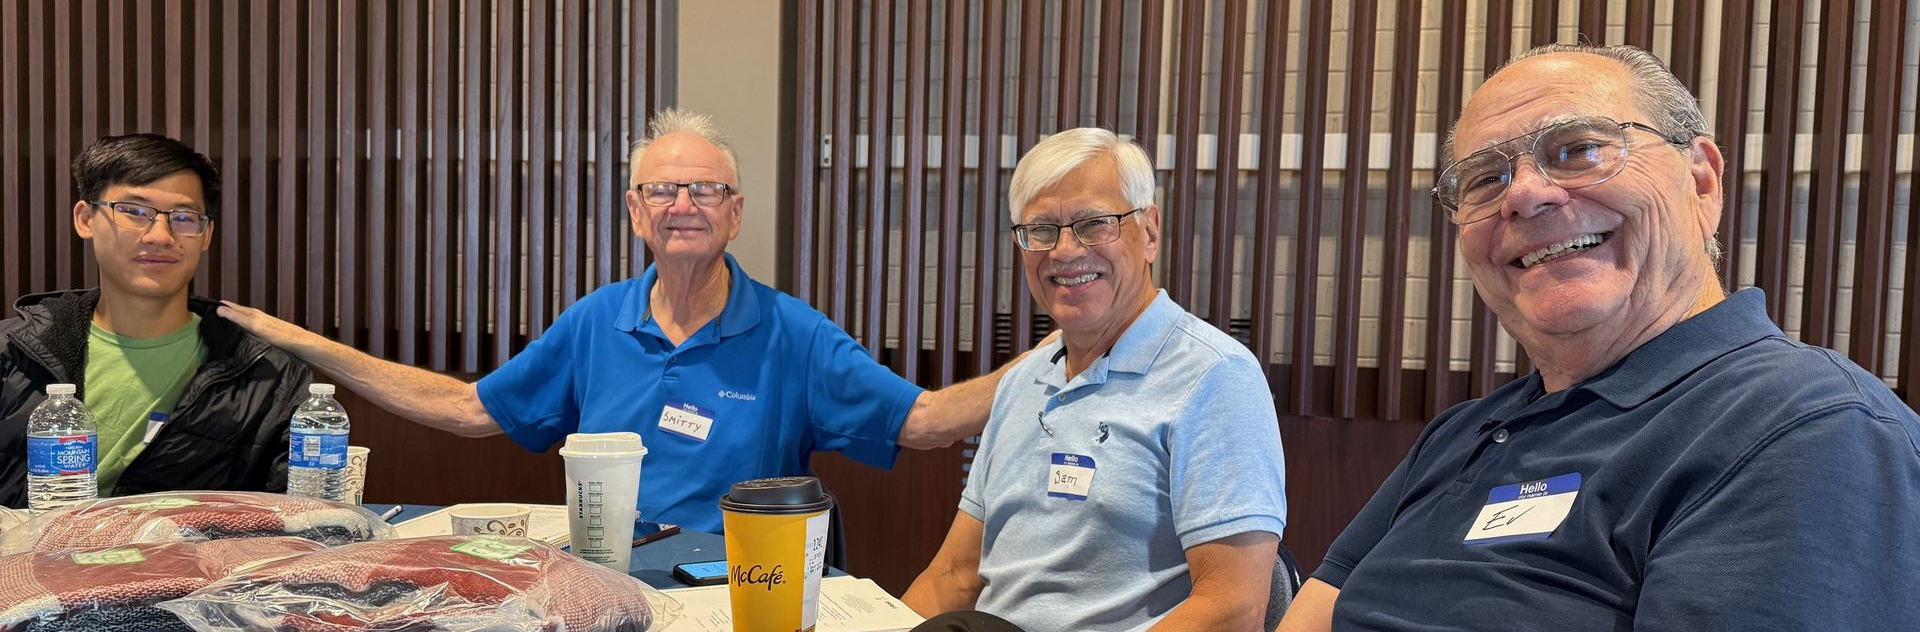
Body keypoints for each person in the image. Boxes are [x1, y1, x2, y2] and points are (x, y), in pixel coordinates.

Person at [1279, 44, 1920, 631]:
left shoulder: (1807, 428)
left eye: (1578, 149)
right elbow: (1312, 616)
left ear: (1701, 181)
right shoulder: (1463, 433)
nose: (1524, 196)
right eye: (1484, 179)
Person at [217, 109, 1017, 532]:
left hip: (734, 590)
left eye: (705, 190)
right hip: (603, 577)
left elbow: (927, 421)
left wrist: (1066, 353)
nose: (683, 205)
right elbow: (467, 409)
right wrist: (303, 342)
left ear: (736, 212)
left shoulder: (791, 332)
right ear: (636, 210)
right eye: (663, 191)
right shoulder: (598, 321)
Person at [901, 128, 1288, 632]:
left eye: (1093, 223)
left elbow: (1231, 609)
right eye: (1041, 229)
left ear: (1150, 232)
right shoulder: (1024, 382)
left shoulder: (1215, 378)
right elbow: (952, 575)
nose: (1064, 251)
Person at [0, 134, 313, 507]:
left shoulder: (268, 374)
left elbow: (296, 525)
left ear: (206, 234)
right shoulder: (11, 354)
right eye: (134, 212)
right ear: (85, 219)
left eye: (184, 218)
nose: (161, 236)